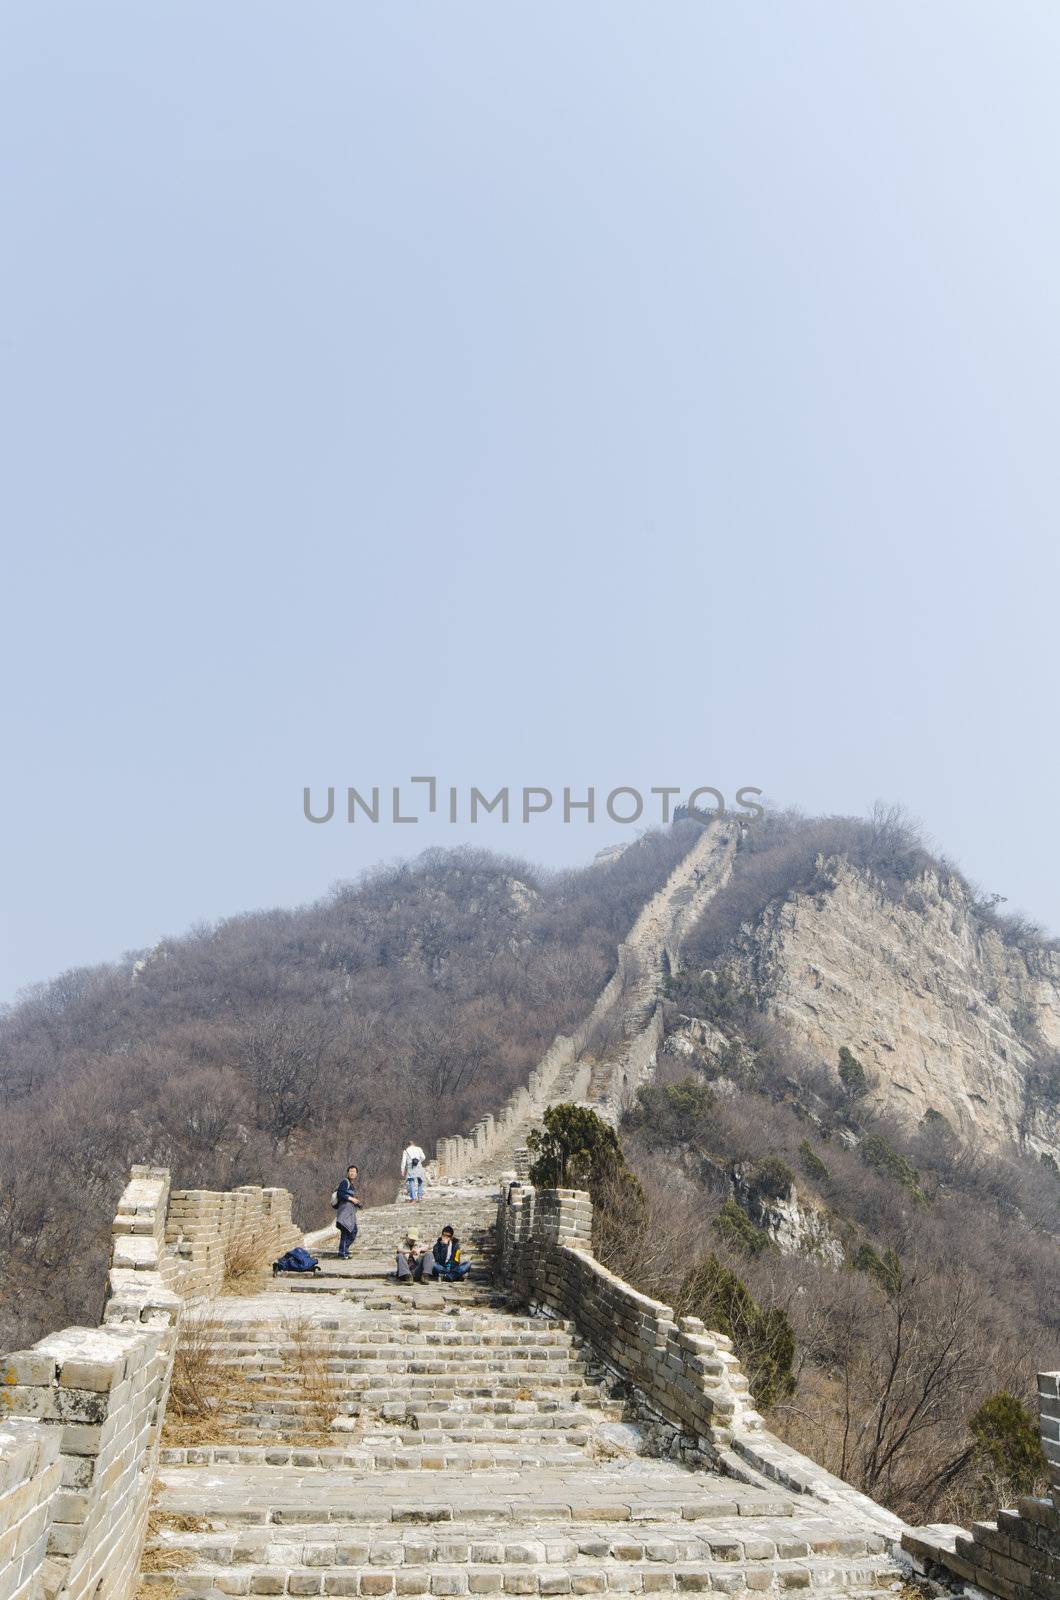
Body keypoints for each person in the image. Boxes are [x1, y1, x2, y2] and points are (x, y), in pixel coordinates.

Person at [333, 1164, 361, 1259]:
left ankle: (345, 1249)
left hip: (349, 1212)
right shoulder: (344, 1182)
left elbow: (348, 1197)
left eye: (354, 1171)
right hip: (344, 1212)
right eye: (351, 1171)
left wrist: (356, 1202)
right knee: (346, 1231)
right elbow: (340, 1194)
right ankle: (342, 1252)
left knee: (353, 1231)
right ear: (347, 1173)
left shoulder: (351, 1185)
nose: (352, 1173)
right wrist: (352, 1199)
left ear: (356, 1174)